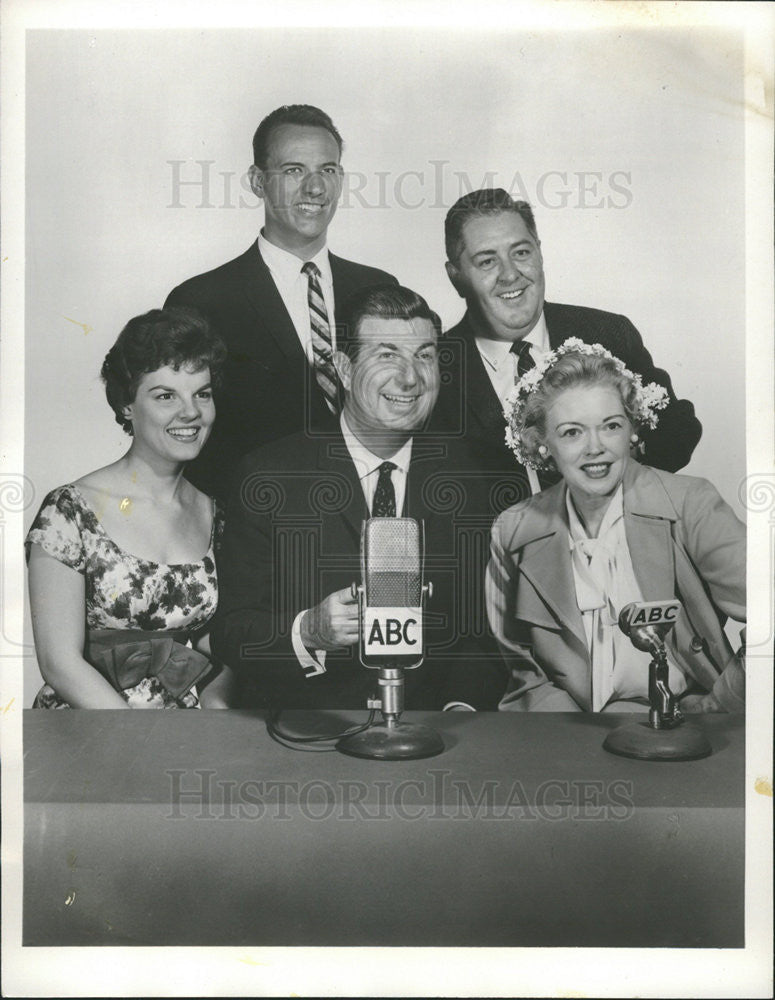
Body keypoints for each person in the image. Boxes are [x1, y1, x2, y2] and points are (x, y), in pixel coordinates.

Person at [213, 284, 507, 711]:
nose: (409, 378)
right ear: (345, 370)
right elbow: (232, 633)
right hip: (310, 738)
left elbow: (485, 635)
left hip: (438, 739)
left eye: (424, 355)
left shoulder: (472, 479)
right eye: (387, 355)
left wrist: (460, 712)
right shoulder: (268, 477)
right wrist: (307, 632)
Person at [486, 339, 745, 713]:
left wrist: (717, 712)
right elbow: (524, 674)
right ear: (542, 445)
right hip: (567, 739)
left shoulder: (692, 503)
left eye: (610, 426)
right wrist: (575, 740)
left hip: (690, 736)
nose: (595, 447)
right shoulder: (514, 530)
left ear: (633, 431)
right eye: (572, 432)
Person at [165, 104, 398, 500]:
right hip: (256, 532)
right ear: (258, 181)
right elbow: (183, 437)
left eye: (327, 170)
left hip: (370, 521)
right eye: (294, 171)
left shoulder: (379, 289)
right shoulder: (202, 301)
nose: (315, 188)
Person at [434, 188, 702, 504]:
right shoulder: (435, 366)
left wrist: (618, 480)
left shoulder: (608, 333)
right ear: (456, 277)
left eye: (521, 253)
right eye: (487, 261)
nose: (510, 274)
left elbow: (678, 425)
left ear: (539, 253)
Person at [26, 307, 234, 709]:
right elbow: (59, 663)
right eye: (165, 396)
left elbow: (214, 656)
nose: (190, 411)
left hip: (182, 730)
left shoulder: (215, 514)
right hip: (91, 728)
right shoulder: (69, 511)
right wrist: (140, 746)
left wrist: (217, 722)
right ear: (126, 405)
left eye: (202, 394)